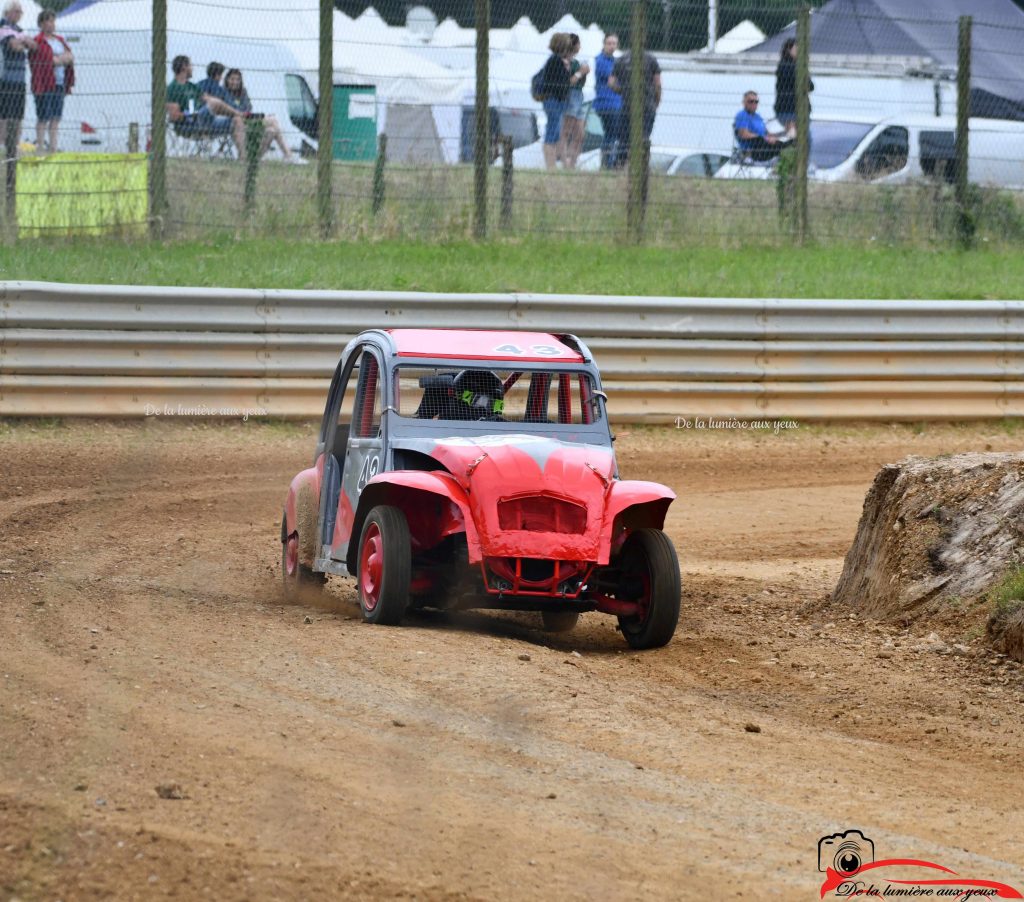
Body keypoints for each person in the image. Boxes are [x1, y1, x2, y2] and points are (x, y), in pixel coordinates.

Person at [165, 54, 246, 159]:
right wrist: (190, 113)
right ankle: (239, 113)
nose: (192, 68)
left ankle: (243, 158)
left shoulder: (192, 86)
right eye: (191, 65)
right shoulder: (172, 88)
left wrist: (214, 106)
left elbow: (207, 98)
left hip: (205, 120)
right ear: (184, 67)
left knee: (237, 120)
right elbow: (174, 116)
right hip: (189, 124)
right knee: (215, 103)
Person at [222, 68, 296, 162]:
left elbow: (248, 107)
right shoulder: (223, 92)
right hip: (232, 121)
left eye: (237, 79)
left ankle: (287, 155)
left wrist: (241, 111)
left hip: (247, 118)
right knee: (238, 119)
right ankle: (244, 157)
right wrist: (240, 111)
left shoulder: (243, 92)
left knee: (272, 126)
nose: (235, 82)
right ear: (227, 79)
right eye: (232, 79)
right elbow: (230, 107)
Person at [29, 9, 73, 154]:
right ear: (41, 24)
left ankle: (53, 149)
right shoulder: (38, 41)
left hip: (59, 84)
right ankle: (40, 148)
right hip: (44, 84)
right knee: (43, 117)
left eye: (53, 20)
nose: (51, 24)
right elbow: (46, 60)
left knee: (56, 118)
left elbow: (70, 57)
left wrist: (58, 59)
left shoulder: (60, 40)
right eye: (48, 20)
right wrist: (59, 59)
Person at [609, 45, 661, 160]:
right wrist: (656, 102)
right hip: (647, 106)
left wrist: (623, 91)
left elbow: (611, 83)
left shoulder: (621, 60)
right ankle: (642, 166)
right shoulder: (651, 59)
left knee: (624, 139)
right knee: (643, 139)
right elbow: (657, 84)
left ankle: (620, 165)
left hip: (627, 106)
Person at [0, 0, 35, 156]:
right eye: (17, 11)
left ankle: (14, 146)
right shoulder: (3, 26)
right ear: (8, 12)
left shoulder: (19, 29)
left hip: (19, 79)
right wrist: (23, 42)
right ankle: (2, 145)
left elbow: (33, 45)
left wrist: (22, 42)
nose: (19, 14)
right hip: (5, 78)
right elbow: (14, 46)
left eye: (20, 12)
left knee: (18, 116)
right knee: (5, 115)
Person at [539, 32, 571, 171]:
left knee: (554, 131)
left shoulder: (556, 60)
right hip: (553, 100)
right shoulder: (556, 61)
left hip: (555, 101)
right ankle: (550, 166)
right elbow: (559, 84)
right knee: (551, 132)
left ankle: (552, 165)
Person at [593, 32, 624, 169]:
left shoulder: (615, 61)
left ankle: (609, 163)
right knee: (612, 133)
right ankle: (607, 163)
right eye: (609, 43)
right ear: (604, 44)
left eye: (614, 44)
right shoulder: (601, 61)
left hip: (616, 102)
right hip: (607, 103)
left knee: (612, 133)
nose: (612, 46)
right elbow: (616, 77)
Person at [559, 33, 589, 170]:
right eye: (579, 44)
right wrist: (580, 73)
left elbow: (579, 81)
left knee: (580, 134)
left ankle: (572, 163)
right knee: (566, 132)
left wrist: (584, 73)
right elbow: (567, 83)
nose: (580, 47)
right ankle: (565, 164)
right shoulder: (564, 62)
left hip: (579, 97)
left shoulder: (576, 62)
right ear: (574, 45)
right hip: (570, 97)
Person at [774, 38, 813, 137]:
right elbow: (802, 83)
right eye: (797, 49)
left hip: (800, 109)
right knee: (795, 137)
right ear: (788, 49)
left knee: (804, 138)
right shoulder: (786, 66)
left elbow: (810, 86)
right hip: (789, 109)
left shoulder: (797, 66)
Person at [734, 90, 784, 161]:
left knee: (786, 143)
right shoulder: (742, 115)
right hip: (754, 148)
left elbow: (767, 133)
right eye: (751, 101)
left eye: (756, 101)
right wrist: (764, 138)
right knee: (761, 140)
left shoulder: (758, 117)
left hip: (764, 145)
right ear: (744, 102)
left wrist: (776, 137)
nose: (754, 103)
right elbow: (743, 134)